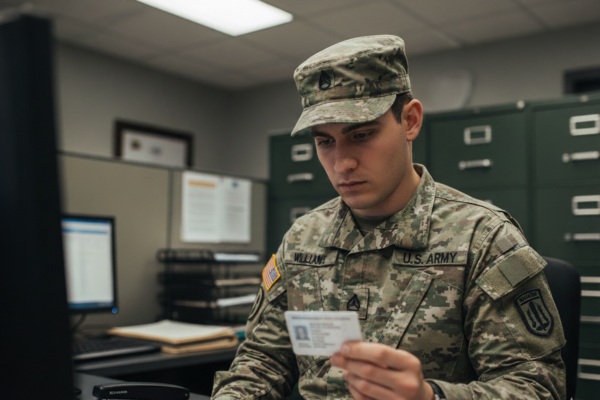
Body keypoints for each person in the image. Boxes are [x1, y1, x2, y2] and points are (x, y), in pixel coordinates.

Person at [211, 34, 566, 400]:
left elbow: (537, 386)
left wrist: (431, 397)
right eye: (325, 142)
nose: (342, 164)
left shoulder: (483, 238)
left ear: (410, 121)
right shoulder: (302, 239)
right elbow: (261, 360)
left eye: (362, 135)